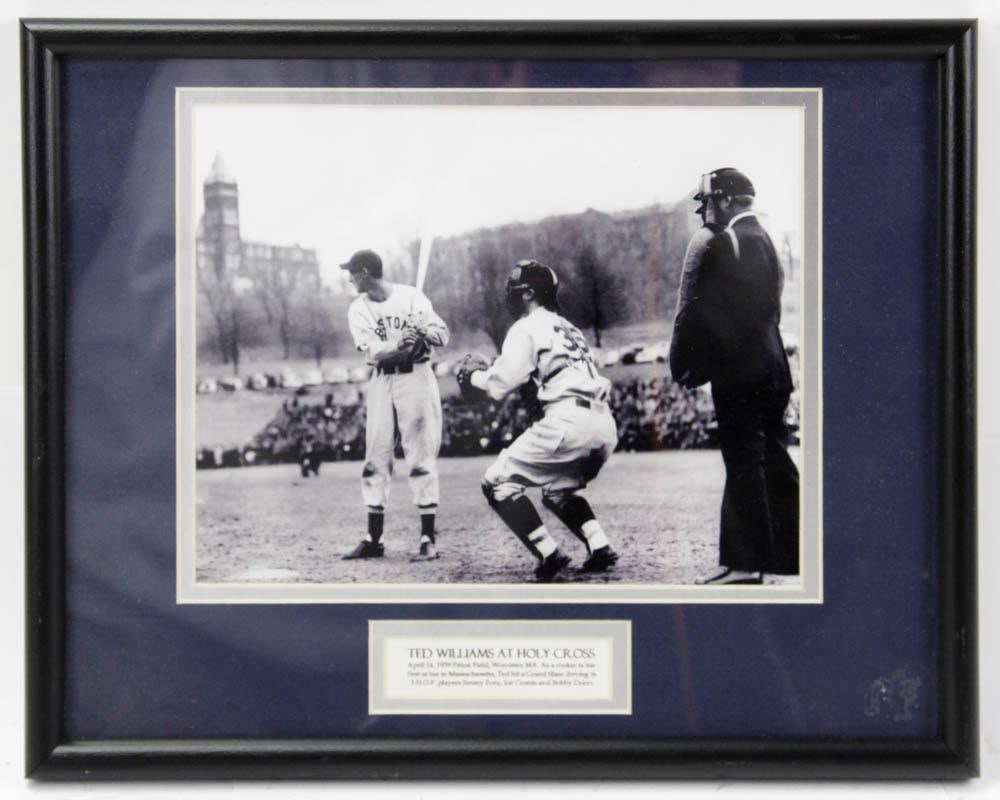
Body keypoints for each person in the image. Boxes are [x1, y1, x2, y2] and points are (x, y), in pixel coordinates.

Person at [669, 168, 799, 584]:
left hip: (741, 371)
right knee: (775, 457)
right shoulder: (769, 239)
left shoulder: (724, 243)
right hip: (774, 364)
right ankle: (791, 552)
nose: (704, 210)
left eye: (707, 202)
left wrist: (689, 363)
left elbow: (709, 314)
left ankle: (744, 565)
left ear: (724, 201)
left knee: (742, 460)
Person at [460, 260, 619, 583]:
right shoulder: (567, 326)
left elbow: (501, 383)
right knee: (558, 492)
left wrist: (473, 376)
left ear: (529, 293)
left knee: (497, 483)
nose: (510, 296)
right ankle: (599, 546)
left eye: (515, 290)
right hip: (603, 423)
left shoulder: (526, 326)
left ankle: (549, 554)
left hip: (568, 418)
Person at [340, 249, 450, 561]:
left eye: (352, 273)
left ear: (364, 273)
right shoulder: (358, 309)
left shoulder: (412, 297)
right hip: (382, 380)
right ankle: (374, 538)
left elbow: (443, 334)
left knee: (420, 454)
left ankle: (428, 538)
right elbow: (372, 353)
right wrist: (399, 343)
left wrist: (423, 330)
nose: (349, 278)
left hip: (416, 377)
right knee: (375, 455)